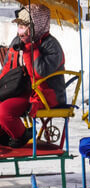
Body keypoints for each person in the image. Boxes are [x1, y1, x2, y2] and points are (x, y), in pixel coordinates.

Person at [0, 4, 66, 148]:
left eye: (24, 26)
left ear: (37, 25)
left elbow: (39, 74)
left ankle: (22, 136)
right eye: (19, 26)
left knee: (4, 111)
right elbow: (7, 69)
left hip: (45, 94)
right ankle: (5, 136)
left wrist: (31, 49)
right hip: (22, 90)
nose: (20, 31)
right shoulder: (17, 41)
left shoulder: (52, 46)